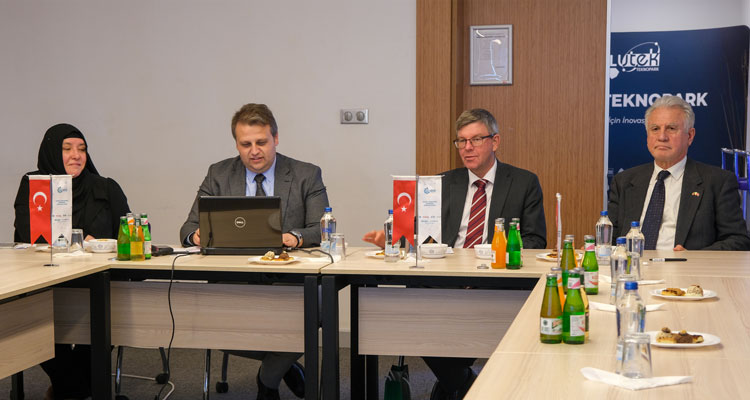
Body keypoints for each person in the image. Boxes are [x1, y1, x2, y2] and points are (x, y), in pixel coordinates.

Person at [364, 108, 547, 400]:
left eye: (475, 139)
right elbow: (422, 234)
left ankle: (452, 382)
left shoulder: (523, 182)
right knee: (409, 305)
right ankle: (461, 383)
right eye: (461, 141)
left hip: (496, 282)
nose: (467, 148)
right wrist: (395, 238)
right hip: (444, 280)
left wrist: (495, 252)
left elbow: (535, 240)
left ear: (495, 141)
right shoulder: (442, 183)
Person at [180, 103, 328, 399]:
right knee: (211, 321)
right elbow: (188, 227)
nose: (254, 151)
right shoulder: (218, 174)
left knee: (318, 309)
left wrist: (293, 238)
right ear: (236, 144)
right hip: (231, 282)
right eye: (245, 144)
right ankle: (283, 364)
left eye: (261, 142)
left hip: (290, 281)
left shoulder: (306, 174)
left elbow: (321, 229)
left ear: (276, 138)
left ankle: (268, 378)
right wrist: (195, 235)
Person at [13, 123, 131, 400]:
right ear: (53, 153)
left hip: (99, 284)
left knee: (106, 321)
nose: (76, 155)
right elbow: (24, 235)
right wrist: (71, 240)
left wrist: (101, 244)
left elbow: (128, 234)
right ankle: (75, 388)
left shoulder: (106, 187)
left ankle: (68, 390)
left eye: (82, 149)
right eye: (67, 149)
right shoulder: (35, 186)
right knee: (33, 325)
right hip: (46, 282)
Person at [607, 95, 750, 250]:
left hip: (686, 265)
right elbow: (609, 240)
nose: (662, 137)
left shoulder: (718, 182)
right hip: (632, 263)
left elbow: (738, 240)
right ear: (647, 135)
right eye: (655, 129)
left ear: (690, 136)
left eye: (671, 128)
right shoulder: (624, 181)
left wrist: (694, 258)